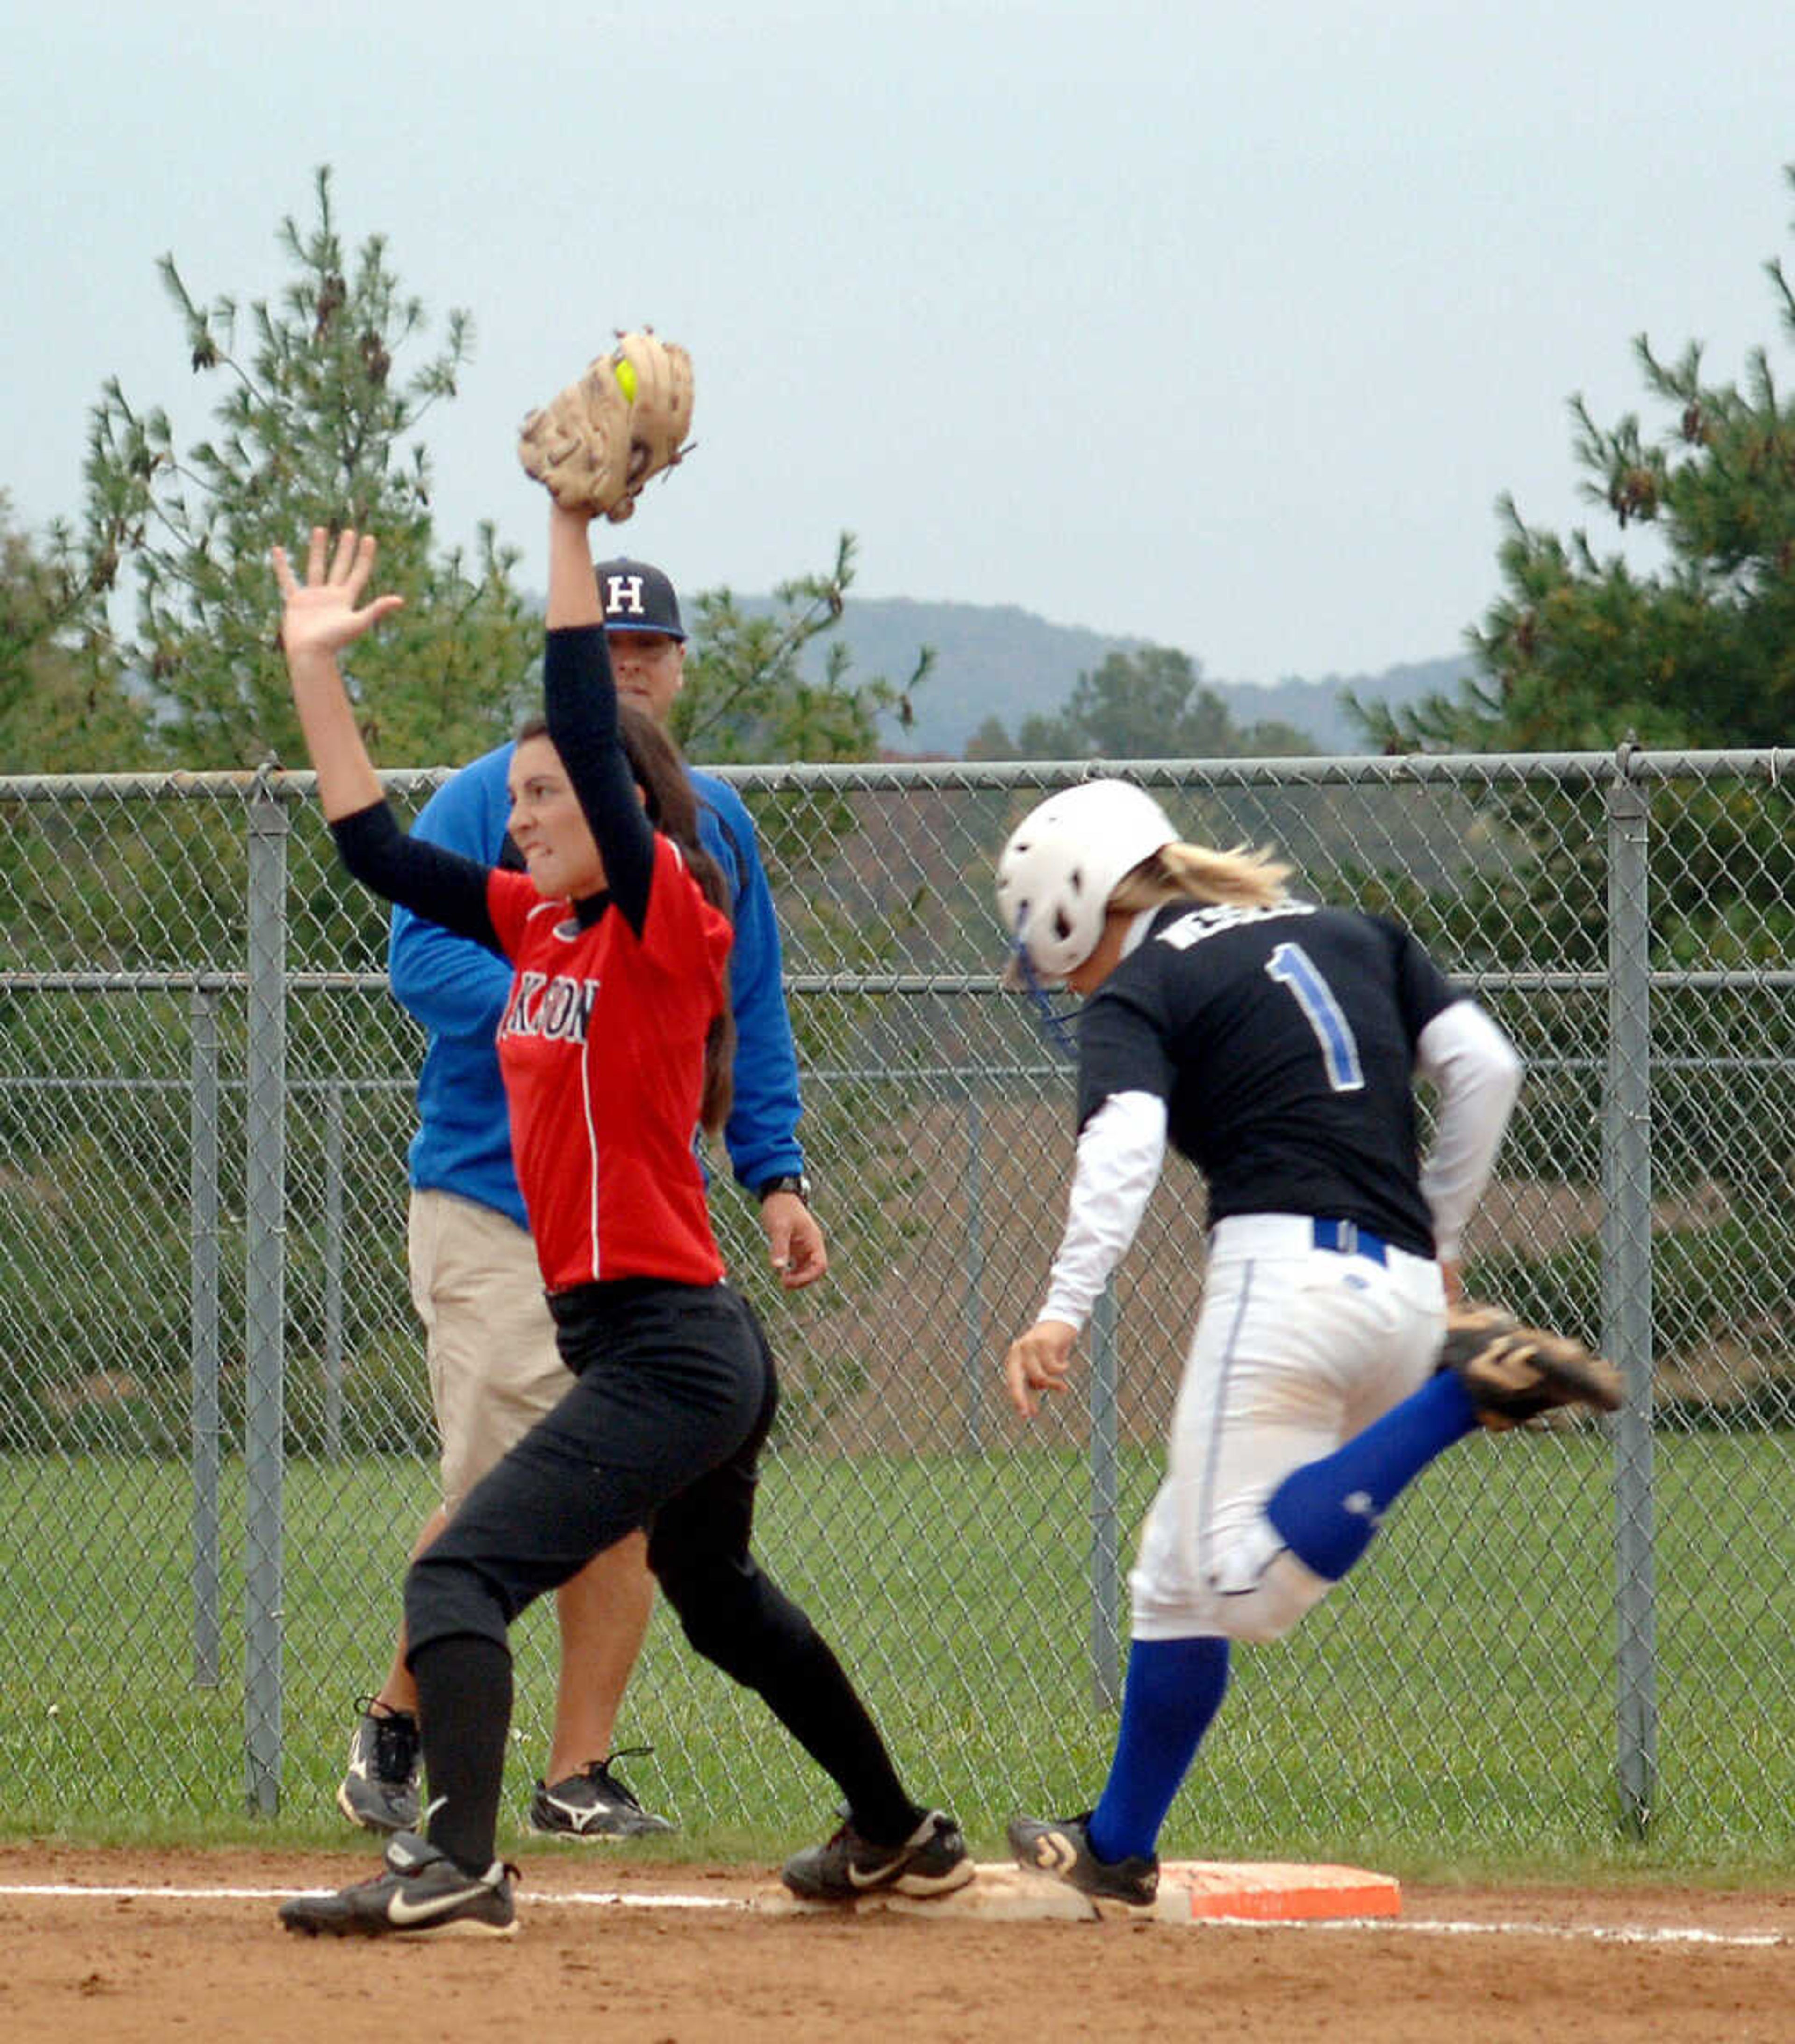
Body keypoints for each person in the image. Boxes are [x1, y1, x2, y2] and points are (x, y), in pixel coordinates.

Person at [271, 510, 970, 1936]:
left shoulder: (668, 925)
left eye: (544, 796)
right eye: (517, 800)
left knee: (460, 1567)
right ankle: (897, 1831)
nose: (521, 819)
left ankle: (459, 1858)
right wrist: (313, 673)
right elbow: (376, 854)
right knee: (713, 1592)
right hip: (666, 1344)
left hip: (667, 1343)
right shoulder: (543, 927)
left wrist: (569, 520)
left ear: (623, 810)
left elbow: (596, 726)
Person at [990, 778, 1619, 1909]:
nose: (1059, 972)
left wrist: (1062, 1305)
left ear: (1078, 902)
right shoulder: (1353, 929)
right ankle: (1117, 1847)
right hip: (1400, 1289)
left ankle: (1464, 1393)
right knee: (1175, 1572)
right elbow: (1488, 1066)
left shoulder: (1144, 984)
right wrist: (1443, 1232)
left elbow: (1124, 1149)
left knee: (1240, 1582)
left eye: (1049, 941)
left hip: (1282, 1278)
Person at [337, 555, 825, 1844]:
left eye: (647, 649)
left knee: (618, 1501)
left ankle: (577, 1773)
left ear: (677, 668)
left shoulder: (707, 831)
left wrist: (774, 1173)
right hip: (494, 1204)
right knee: (516, 1496)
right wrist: (559, 1003)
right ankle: (403, 1718)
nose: (626, 668)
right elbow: (415, 946)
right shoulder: (493, 796)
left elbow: (749, 1006)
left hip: (626, 1241)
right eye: (600, 651)